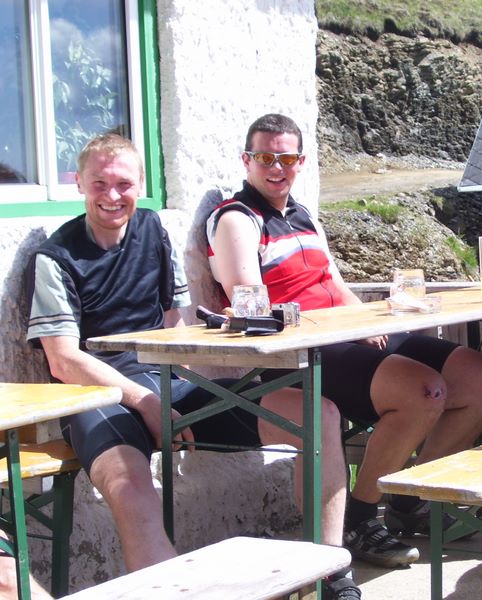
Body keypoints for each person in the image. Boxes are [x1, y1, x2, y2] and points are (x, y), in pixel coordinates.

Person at [25, 134, 356, 599]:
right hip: (98, 393)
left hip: (165, 380)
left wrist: (217, 346)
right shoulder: (56, 257)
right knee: (128, 484)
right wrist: (146, 403)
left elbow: (176, 322)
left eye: (123, 184)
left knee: (317, 414)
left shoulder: (151, 230)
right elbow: (63, 360)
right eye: (99, 183)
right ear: (78, 183)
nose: (112, 195)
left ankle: (329, 574)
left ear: (141, 184)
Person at [206, 113, 482, 568]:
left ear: (301, 161)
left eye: (286, 158)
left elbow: (336, 285)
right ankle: (360, 519)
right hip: (298, 352)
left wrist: (372, 319)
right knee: (425, 390)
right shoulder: (238, 218)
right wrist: (339, 326)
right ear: (246, 161)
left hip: (347, 333)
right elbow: (249, 301)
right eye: (265, 158)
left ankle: (409, 499)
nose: (276, 167)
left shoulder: (302, 215)